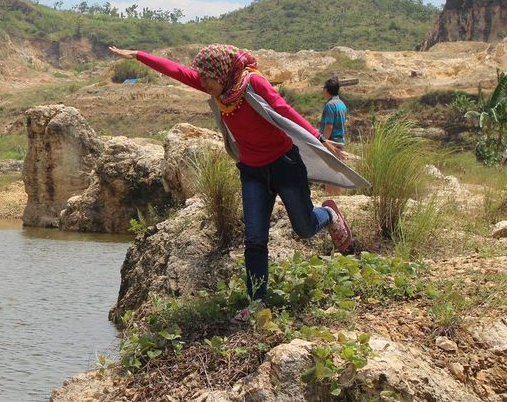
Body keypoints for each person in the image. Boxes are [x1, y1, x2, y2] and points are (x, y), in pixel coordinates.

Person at [108, 44, 355, 324]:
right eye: (201, 79)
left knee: (305, 227)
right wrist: (140, 55)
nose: (203, 84)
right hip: (252, 171)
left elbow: (284, 110)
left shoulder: (253, 82)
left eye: (207, 79)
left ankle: (330, 215)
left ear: (222, 73)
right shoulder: (219, 87)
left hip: (284, 164)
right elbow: (176, 71)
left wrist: (320, 140)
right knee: (254, 239)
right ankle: (258, 303)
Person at [319, 77, 349, 197]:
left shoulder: (330, 105)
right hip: (340, 141)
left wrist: (323, 142)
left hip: (331, 142)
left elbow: (329, 126)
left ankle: (331, 197)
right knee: (336, 170)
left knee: (329, 171)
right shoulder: (341, 104)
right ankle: (337, 196)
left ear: (327, 90)